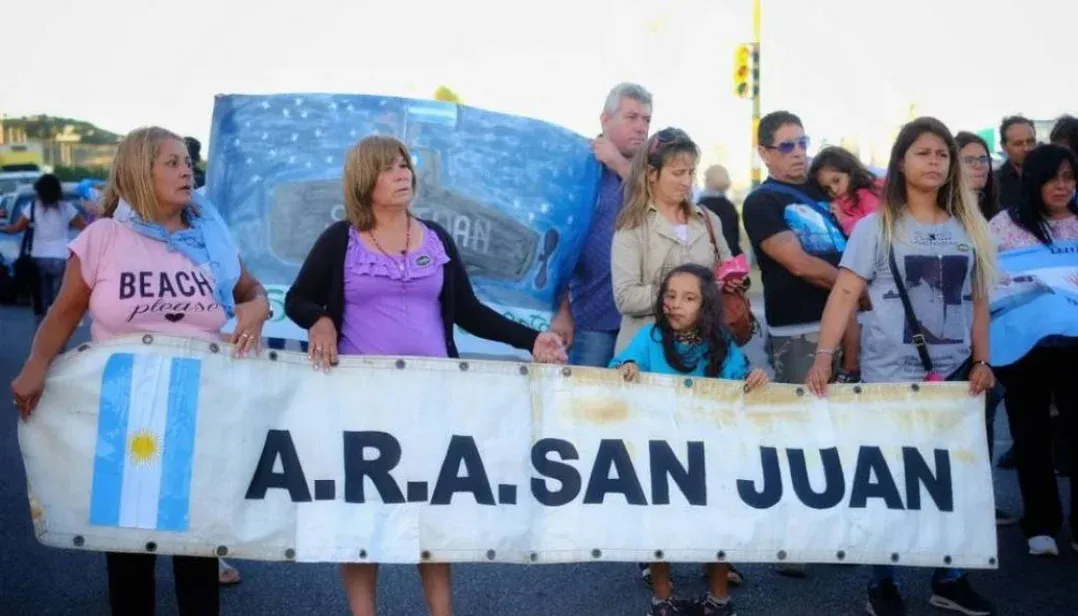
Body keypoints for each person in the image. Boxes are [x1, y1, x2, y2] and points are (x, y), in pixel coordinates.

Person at [283, 135, 566, 616]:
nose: (403, 175)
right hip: (360, 403)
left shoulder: (435, 236)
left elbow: (470, 312)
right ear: (364, 179)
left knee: (432, 511)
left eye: (405, 166)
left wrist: (530, 340)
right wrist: (321, 318)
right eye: (390, 168)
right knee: (361, 511)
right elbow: (298, 299)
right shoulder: (340, 239)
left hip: (432, 399)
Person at [10, 126, 273, 616]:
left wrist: (258, 308)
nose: (185, 170)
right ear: (138, 171)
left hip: (202, 414)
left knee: (196, 554)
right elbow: (64, 314)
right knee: (130, 559)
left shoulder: (211, 237)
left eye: (186, 162)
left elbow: (253, 293)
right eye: (171, 162)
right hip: (126, 419)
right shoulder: (103, 237)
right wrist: (35, 365)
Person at [805, 117, 997, 616]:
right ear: (902, 161)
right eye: (923, 153)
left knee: (953, 481)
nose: (934, 162)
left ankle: (949, 578)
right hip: (889, 376)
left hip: (955, 380)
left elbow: (978, 302)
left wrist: (982, 361)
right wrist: (824, 358)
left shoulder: (969, 227)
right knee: (888, 483)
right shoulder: (875, 227)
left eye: (942, 154)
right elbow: (845, 293)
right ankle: (882, 582)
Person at [611, 263, 768, 616]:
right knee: (660, 526)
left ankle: (718, 599)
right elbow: (621, 363)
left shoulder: (721, 344)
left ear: (706, 306)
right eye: (670, 295)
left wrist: (755, 378)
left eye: (688, 297)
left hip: (709, 454)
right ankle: (663, 599)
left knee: (713, 526)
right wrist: (627, 368)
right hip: (659, 451)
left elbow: (739, 381)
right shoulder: (651, 338)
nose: (675, 304)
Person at [741, 113, 857, 577]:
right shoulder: (761, 200)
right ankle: (794, 542)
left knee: (840, 432)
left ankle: (835, 533)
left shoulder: (820, 194)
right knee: (800, 435)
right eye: (785, 146)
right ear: (765, 153)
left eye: (802, 143)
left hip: (847, 324)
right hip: (800, 331)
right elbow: (798, 262)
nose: (797, 153)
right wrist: (855, 286)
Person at [988, 144, 1078, 557]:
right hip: (1022, 348)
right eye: (1053, 178)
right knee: (1030, 435)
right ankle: (1040, 523)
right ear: (1034, 180)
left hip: (1074, 349)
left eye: (1069, 177)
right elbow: (986, 284)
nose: (1062, 187)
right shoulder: (1004, 226)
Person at [549, 82, 652, 366]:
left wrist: (619, 164)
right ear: (606, 120)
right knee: (586, 404)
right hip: (590, 319)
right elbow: (556, 246)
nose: (641, 127)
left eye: (646, 119)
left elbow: (659, 206)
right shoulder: (579, 167)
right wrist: (561, 311)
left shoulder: (652, 170)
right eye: (631, 117)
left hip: (644, 321)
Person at [954, 131, 1016, 525]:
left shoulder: (994, 212)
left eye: (983, 159)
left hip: (994, 327)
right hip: (953, 331)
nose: (980, 167)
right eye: (970, 159)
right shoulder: (947, 215)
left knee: (985, 412)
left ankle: (978, 501)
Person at [0, 173, 87, 316]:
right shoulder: (66, 208)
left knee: (41, 296)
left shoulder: (33, 207)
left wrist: (2, 228)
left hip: (38, 258)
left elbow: (16, 228)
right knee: (58, 296)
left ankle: (42, 322)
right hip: (61, 258)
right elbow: (85, 227)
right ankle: (56, 318)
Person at [808, 146, 884, 236]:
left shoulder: (866, 195)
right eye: (827, 188)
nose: (834, 190)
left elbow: (874, 228)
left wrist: (842, 218)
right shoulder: (835, 204)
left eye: (836, 180)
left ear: (850, 173)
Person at [698, 164, 743, 256]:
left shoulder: (701, 207)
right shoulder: (729, 206)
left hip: (708, 258)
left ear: (708, 180)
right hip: (731, 257)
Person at [995, 115, 1038, 210]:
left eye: (1030, 141)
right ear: (1003, 147)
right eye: (1018, 144)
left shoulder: (1050, 176)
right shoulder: (994, 184)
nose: (1026, 148)